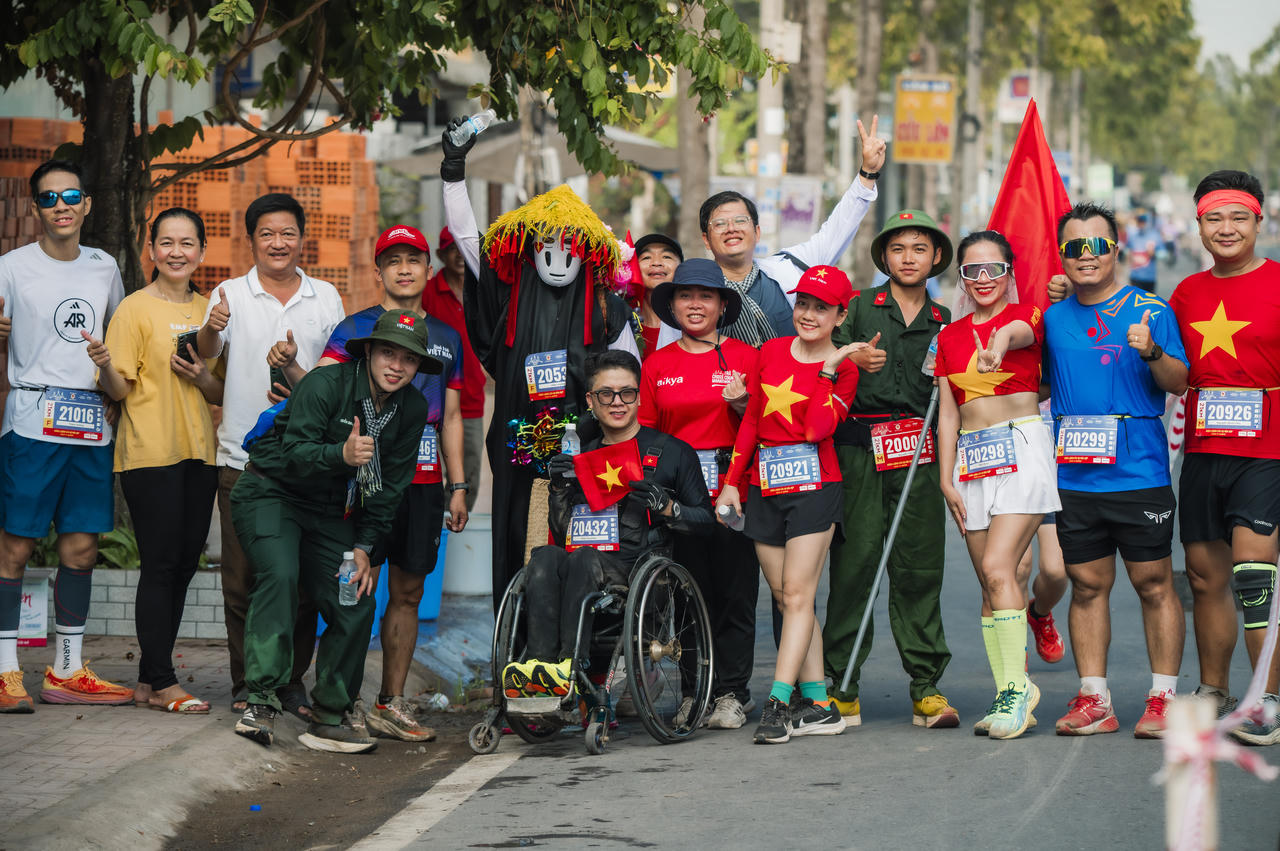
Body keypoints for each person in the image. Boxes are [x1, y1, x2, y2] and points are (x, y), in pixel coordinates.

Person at [439, 121, 639, 613]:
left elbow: (630, 381)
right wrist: (453, 171)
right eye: (545, 242)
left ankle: (584, 661)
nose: (556, 254)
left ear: (587, 251)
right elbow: (467, 237)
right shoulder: (507, 295)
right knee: (519, 549)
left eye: (568, 244)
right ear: (528, 246)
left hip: (591, 450)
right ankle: (518, 662)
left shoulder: (607, 308)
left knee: (587, 553)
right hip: (519, 448)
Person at [231, 309, 435, 752]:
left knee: (355, 597)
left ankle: (330, 714)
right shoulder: (328, 383)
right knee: (281, 576)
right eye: (387, 353)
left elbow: (392, 487)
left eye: (409, 359)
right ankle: (262, 700)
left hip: (328, 511)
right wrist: (340, 456)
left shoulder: (412, 408)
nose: (397, 366)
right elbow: (292, 453)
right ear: (369, 353)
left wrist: (364, 547)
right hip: (271, 492)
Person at [316, 225, 468, 742]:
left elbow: (449, 416)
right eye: (393, 260)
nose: (404, 269)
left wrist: (459, 484)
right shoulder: (355, 328)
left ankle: (391, 703)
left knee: (408, 591)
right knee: (357, 588)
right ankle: (342, 701)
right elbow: (324, 387)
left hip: (423, 482)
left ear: (429, 269)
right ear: (378, 270)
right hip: (362, 477)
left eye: (414, 260)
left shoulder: (447, 338)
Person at [195, 192, 346, 716]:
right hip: (242, 460)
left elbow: (336, 373)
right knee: (243, 580)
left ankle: (288, 682)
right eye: (267, 234)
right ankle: (246, 684)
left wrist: (297, 378)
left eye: (287, 233)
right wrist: (211, 327)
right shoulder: (230, 293)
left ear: (301, 239)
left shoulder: (325, 297)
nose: (278, 243)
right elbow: (210, 353)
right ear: (252, 240)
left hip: (306, 462)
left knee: (302, 584)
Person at [1044, 203, 1188, 738]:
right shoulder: (1054, 317)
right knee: (1085, 586)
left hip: (1138, 471)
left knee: (1153, 583)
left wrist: (1151, 351)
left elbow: (1177, 382)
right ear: (1062, 256)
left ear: (1117, 249)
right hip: (1075, 474)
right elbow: (1035, 383)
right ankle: (1095, 698)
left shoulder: (1151, 309)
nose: (1087, 256)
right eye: (1075, 247)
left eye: (1097, 245)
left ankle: (1164, 698)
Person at [503, 350, 713, 698]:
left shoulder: (673, 452)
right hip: (579, 563)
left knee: (583, 558)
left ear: (639, 395)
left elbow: (706, 521)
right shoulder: (580, 455)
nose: (618, 403)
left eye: (627, 393)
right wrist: (558, 489)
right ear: (590, 400)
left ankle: (571, 669)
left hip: (639, 573)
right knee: (542, 556)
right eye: (606, 394)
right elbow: (562, 531)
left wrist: (668, 507)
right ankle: (541, 669)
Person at [0, 160, 130, 712]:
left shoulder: (105, 267)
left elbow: (119, 337)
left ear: (87, 204)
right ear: (36, 209)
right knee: (15, 546)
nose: (62, 205)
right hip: (31, 419)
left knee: (81, 546)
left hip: (89, 423)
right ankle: (5, 671)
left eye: (72, 195)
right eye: (50, 198)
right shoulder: (10, 267)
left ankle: (68, 670)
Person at [717, 265, 862, 744]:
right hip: (764, 488)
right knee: (784, 596)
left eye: (822, 307)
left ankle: (779, 701)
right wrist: (734, 483)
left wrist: (827, 369)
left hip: (816, 489)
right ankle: (820, 703)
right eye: (803, 304)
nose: (808, 314)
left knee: (799, 596)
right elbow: (752, 421)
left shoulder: (845, 369)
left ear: (840, 316)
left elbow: (817, 430)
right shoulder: (771, 351)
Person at [86, 208, 223, 713]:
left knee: (185, 565)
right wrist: (104, 367)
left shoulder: (212, 311)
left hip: (198, 451)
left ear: (201, 252)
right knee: (161, 566)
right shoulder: (134, 309)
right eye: (166, 242)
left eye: (187, 243)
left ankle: (148, 679)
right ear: (152, 251)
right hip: (149, 453)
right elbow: (120, 389)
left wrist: (199, 375)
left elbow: (218, 386)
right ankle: (164, 680)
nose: (177, 252)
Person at [823, 209, 956, 730]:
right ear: (884, 257)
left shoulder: (946, 321)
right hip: (859, 452)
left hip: (920, 455)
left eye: (919, 249)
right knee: (854, 565)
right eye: (898, 249)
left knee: (920, 567)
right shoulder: (856, 308)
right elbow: (820, 358)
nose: (908, 258)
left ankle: (926, 687)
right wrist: (852, 357)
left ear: (935, 258)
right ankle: (842, 686)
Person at [1168, 171, 1280, 746]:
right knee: (1206, 577)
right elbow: (1171, 369)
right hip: (1204, 451)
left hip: (1268, 452)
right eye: (1215, 218)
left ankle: (1268, 697)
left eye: (1238, 217)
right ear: (1199, 226)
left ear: (1258, 221)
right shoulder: (1186, 294)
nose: (1226, 228)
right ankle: (1215, 689)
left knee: (1254, 574)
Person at [934, 231, 1059, 739]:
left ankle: (1017, 690)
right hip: (971, 460)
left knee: (997, 566)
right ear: (961, 277)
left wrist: (999, 342)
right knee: (991, 584)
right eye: (972, 271)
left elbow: (1018, 336)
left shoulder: (1027, 317)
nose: (983, 280)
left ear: (1009, 272)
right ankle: (1008, 686)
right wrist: (946, 478)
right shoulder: (948, 336)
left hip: (1023, 448)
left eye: (993, 270)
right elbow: (947, 415)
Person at [640, 258, 759, 728]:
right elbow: (645, 436)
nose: (695, 304)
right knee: (688, 594)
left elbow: (765, 426)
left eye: (705, 296)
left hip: (734, 488)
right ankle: (695, 691)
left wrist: (744, 402)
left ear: (721, 305)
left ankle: (732, 693)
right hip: (679, 496)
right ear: (672, 306)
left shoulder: (747, 359)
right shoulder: (657, 365)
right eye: (685, 296)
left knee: (735, 592)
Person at [653, 117, 887, 350]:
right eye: (720, 223)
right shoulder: (687, 292)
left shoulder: (791, 267)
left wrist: (867, 173)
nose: (731, 228)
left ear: (757, 231)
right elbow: (669, 357)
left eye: (740, 220)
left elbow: (838, 228)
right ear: (706, 238)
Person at [422, 226, 487, 513]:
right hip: (430, 399)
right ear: (440, 255)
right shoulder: (426, 293)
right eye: (452, 249)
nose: (460, 257)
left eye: (464, 250)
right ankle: (432, 529)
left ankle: (458, 527)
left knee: (469, 472)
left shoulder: (484, 291)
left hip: (471, 398)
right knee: (428, 472)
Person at [634, 233, 682, 358]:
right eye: (646, 257)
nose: (656, 262)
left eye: (666, 256)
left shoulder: (694, 323)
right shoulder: (622, 321)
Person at [1126, 212, 1161, 294]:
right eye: (1139, 221)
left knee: (1148, 304)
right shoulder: (1133, 237)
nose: (1141, 224)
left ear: (1147, 222)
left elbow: (1164, 254)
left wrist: (1154, 253)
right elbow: (1128, 251)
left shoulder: (1155, 236)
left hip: (1149, 277)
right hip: (1135, 276)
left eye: (1143, 221)